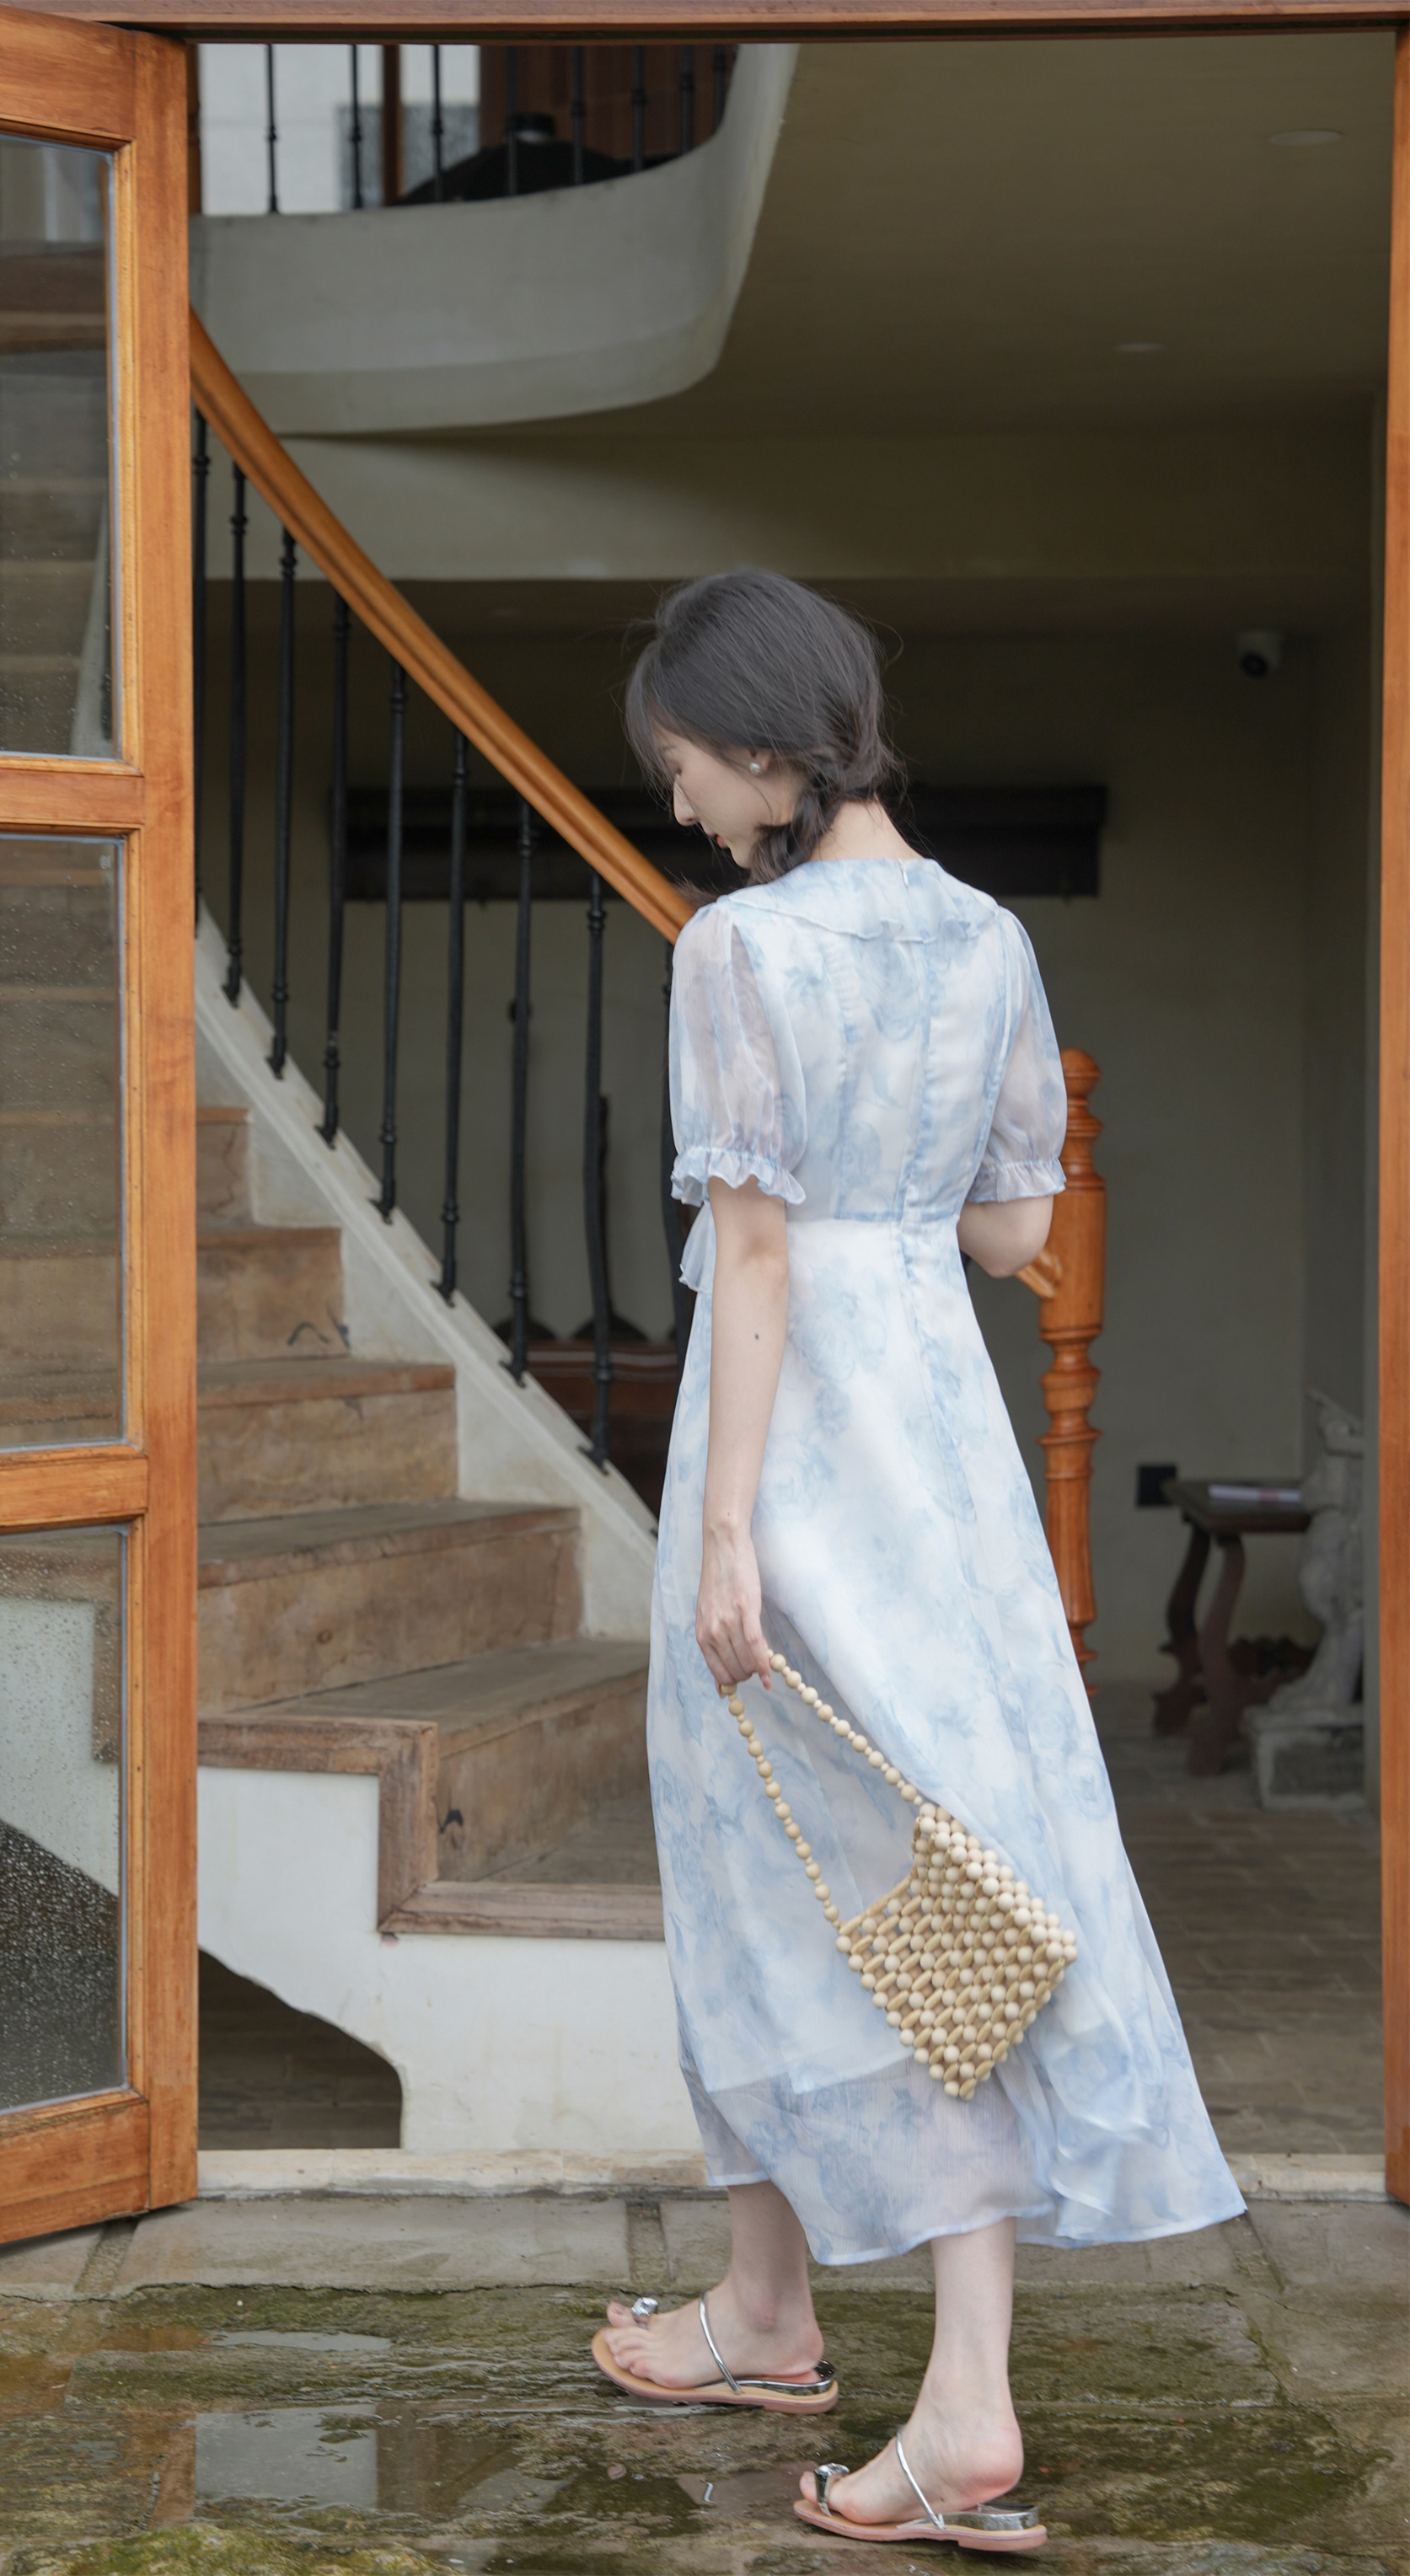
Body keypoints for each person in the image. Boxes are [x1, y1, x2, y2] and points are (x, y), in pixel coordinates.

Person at [591, 574, 1242, 2547]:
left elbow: (754, 1253)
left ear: (764, 746)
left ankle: (954, 2403)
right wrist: (899, 1160)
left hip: (791, 1441)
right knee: (936, 1856)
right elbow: (1013, 1228)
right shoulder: (987, 936)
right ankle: (765, 2304)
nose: (679, 801)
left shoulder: (737, 947)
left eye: (684, 765)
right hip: (944, 1448)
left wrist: (722, 1529)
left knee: (813, 1866)